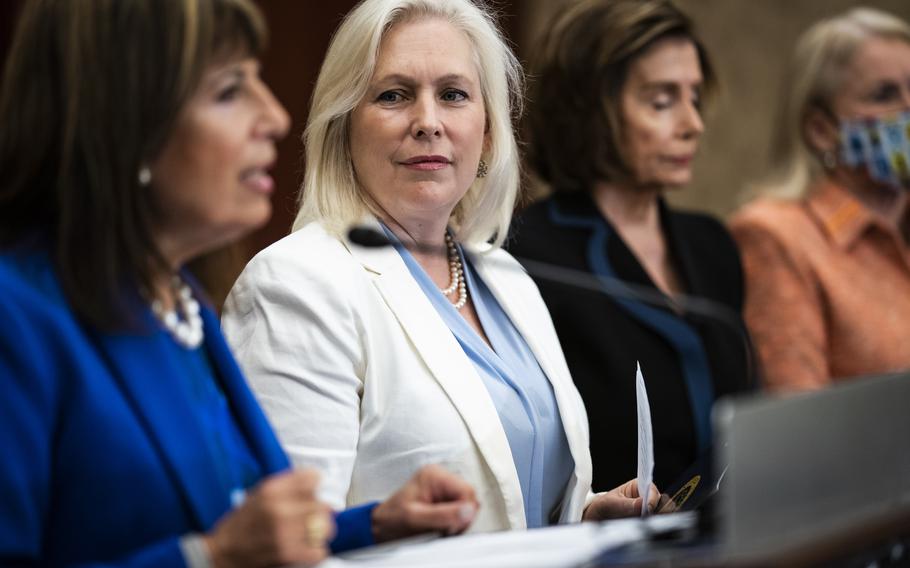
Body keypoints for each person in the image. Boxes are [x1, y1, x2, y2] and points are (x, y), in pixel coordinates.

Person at [0, 0, 479, 566]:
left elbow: (239, 522)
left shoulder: (179, 305)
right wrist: (210, 559)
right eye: (229, 91)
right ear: (126, 122)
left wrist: (372, 524)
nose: (275, 116)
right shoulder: (17, 316)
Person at [223, 0, 658, 534]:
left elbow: (511, 492)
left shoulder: (506, 278)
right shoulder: (295, 283)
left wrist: (586, 514)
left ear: (489, 131)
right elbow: (289, 540)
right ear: (343, 127)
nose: (428, 122)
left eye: (453, 95)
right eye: (393, 95)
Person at [507, 0, 754, 493]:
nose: (692, 124)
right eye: (662, 101)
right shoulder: (526, 255)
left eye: (695, 98)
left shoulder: (713, 244)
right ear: (591, 111)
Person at [729, 8, 910, 392]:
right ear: (821, 130)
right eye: (885, 94)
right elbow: (802, 429)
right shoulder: (777, 236)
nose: (907, 107)